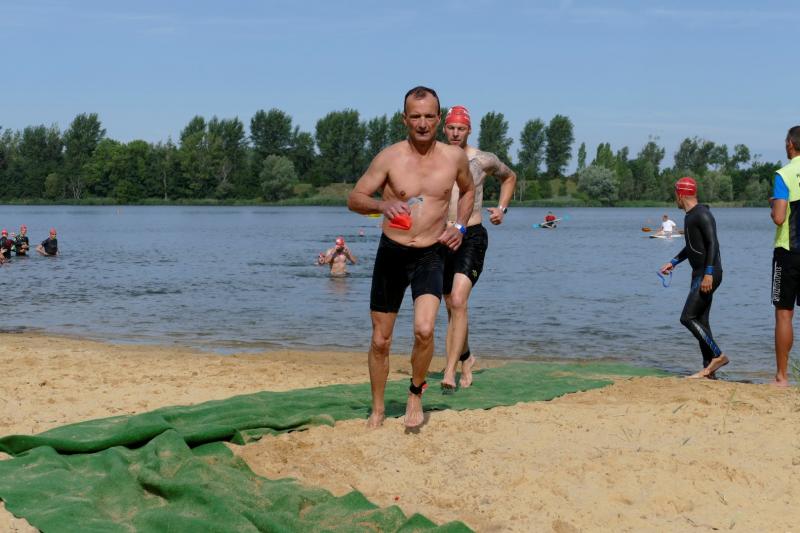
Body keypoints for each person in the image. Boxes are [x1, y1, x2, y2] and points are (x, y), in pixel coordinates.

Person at [347, 86, 475, 428]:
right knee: (381, 340)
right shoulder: (389, 158)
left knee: (424, 330)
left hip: (431, 254)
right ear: (404, 119)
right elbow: (355, 198)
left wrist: (460, 227)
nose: (422, 123)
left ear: (438, 118)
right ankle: (377, 408)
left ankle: (415, 393)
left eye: (429, 116)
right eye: (415, 116)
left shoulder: (454, 158)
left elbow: (469, 190)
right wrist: (381, 204)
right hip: (392, 253)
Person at [440, 105, 516, 390]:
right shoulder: (435, 156)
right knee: (451, 305)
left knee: (459, 301)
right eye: (451, 128)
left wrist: (501, 209)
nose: (455, 133)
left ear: (469, 130)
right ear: (444, 129)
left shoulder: (483, 160)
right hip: (442, 237)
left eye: (461, 128)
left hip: (471, 235)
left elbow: (509, 177)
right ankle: (466, 358)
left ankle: (449, 372)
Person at [659, 177, 728, 379]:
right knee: (701, 321)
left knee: (687, 318)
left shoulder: (702, 214)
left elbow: (713, 244)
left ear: (681, 195)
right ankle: (709, 371)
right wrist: (674, 261)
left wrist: (708, 273)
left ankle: (718, 355)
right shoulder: (690, 216)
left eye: (675, 195)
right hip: (700, 273)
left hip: (709, 273)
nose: (675, 199)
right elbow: (692, 246)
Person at [769, 125, 800, 387]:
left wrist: (773, 205)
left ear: (790, 143)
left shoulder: (784, 174)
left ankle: (782, 377)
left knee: (784, 314)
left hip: (789, 252)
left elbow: (779, 218)